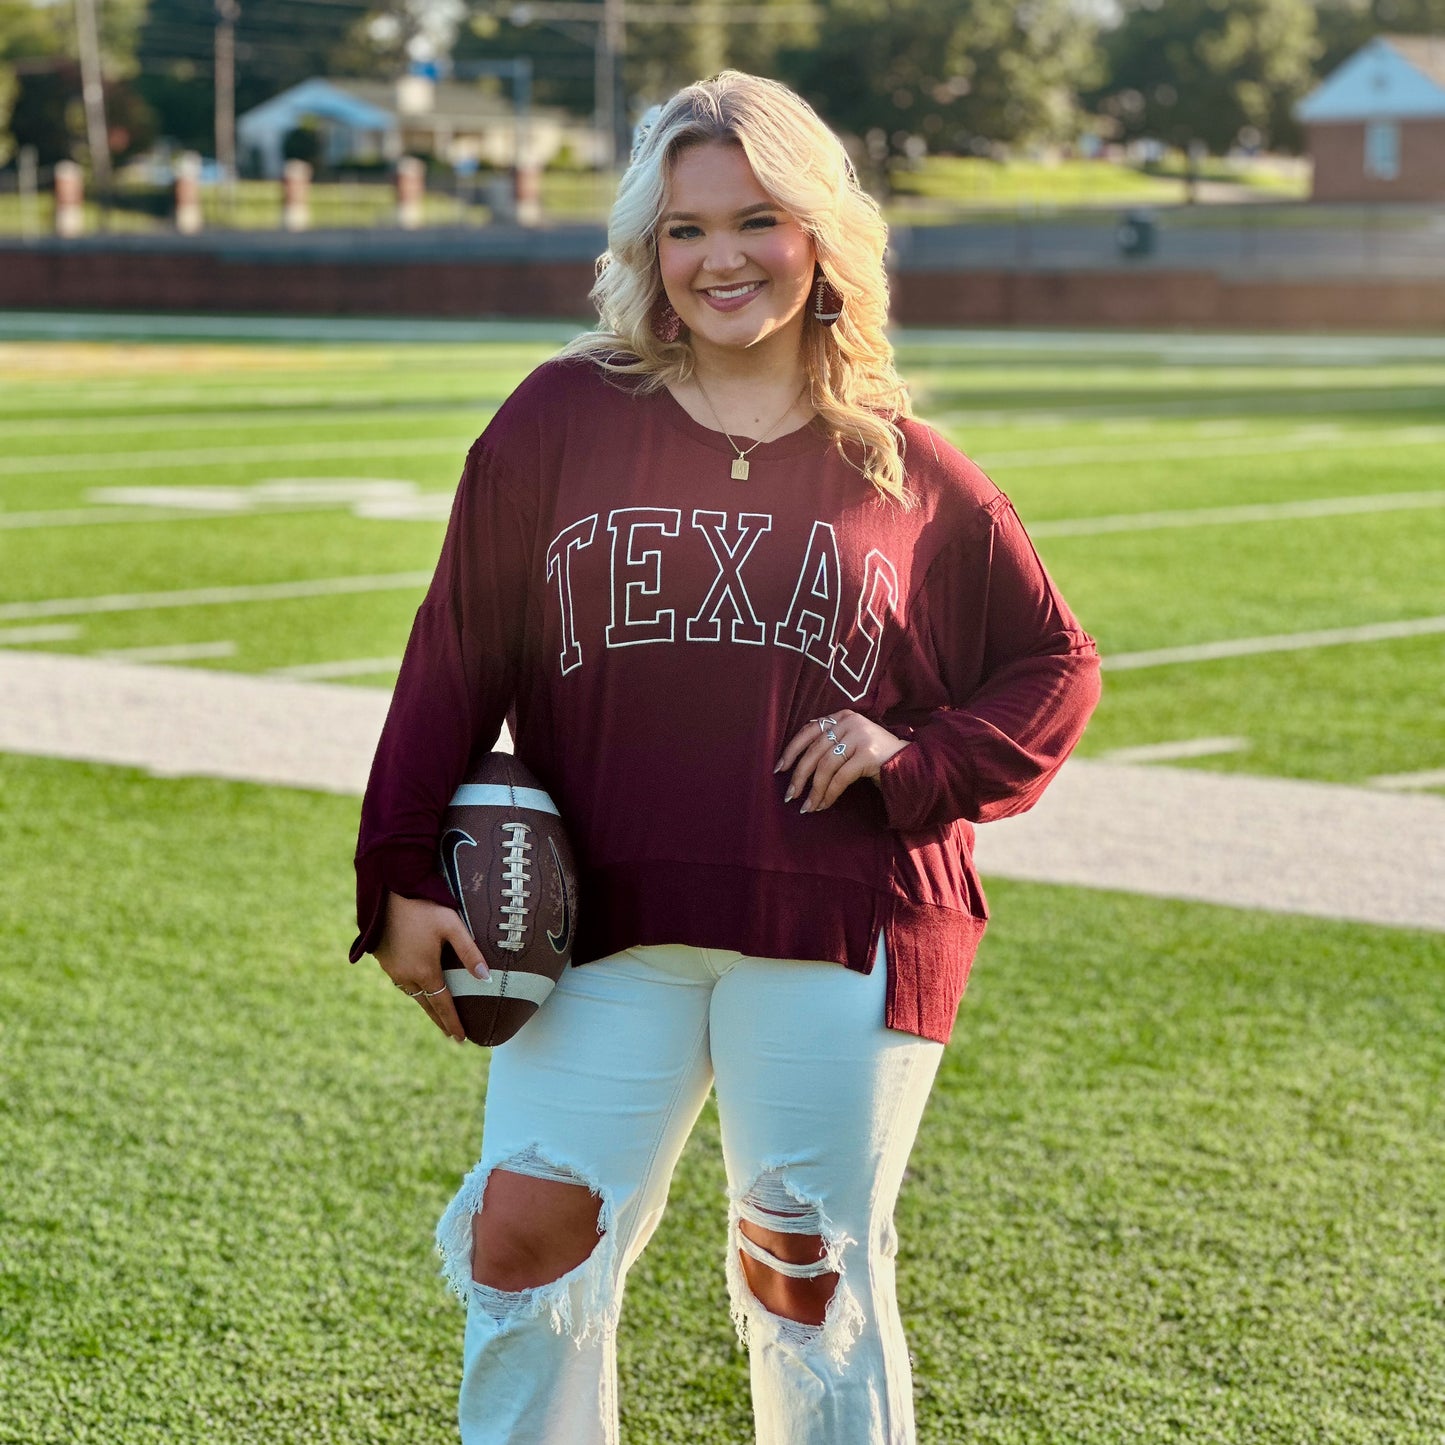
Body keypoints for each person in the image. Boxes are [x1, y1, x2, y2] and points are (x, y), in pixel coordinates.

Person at [349, 70, 1100, 1445]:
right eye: (683, 229)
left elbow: (1055, 665)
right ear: (647, 250)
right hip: (603, 919)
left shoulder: (904, 467)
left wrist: (915, 755)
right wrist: (395, 865)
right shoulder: (556, 421)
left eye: (755, 219)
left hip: (839, 920)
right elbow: (456, 648)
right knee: (525, 1240)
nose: (719, 258)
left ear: (818, 238)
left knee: (804, 1278)